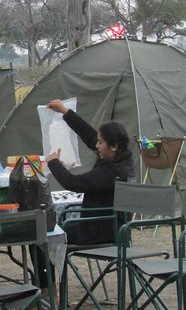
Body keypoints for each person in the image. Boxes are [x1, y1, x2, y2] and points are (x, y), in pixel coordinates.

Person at [44, 99, 134, 245]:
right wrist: (66, 112)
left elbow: (73, 183)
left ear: (113, 146)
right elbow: (89, 135)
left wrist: (54, 163)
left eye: (100, 142)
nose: (96, 146)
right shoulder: (121, 159)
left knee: (48, 236)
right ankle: (56, 267)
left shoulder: (112, 172)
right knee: (56, 230)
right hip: (109, 226)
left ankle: (46, 269)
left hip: (99, 230)